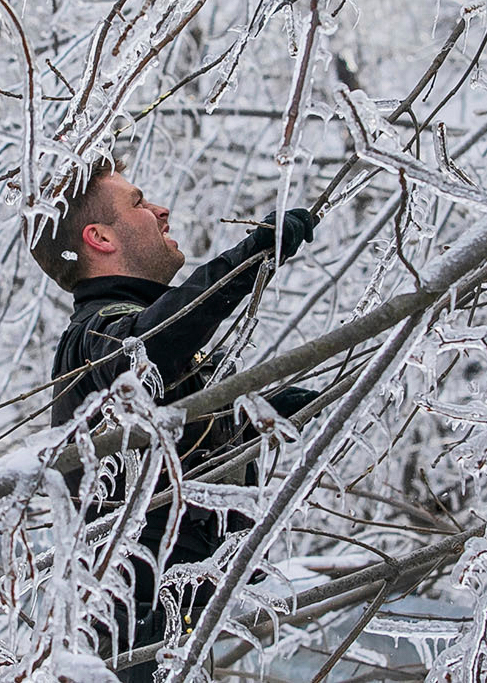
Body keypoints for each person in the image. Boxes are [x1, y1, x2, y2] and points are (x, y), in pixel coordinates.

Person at [32, 160, 318, 682]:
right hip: (124, 633)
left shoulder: (147, 343)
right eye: (138, 203)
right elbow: (150, 346)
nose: (161, 210)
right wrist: (248, 260)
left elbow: (183, 434)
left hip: (170, 621)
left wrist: (265, 412)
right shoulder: (95, 338)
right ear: (100, 238)